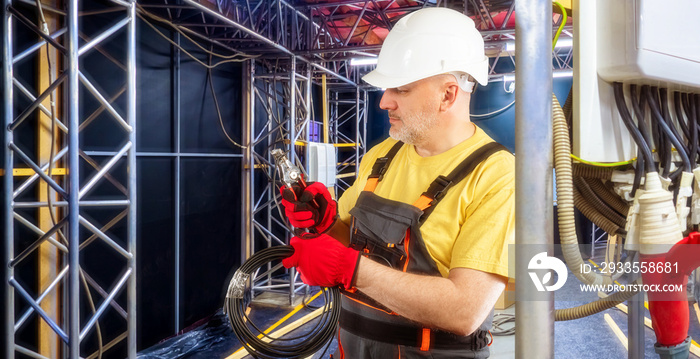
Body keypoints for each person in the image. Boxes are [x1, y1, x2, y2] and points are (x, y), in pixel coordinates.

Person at [280, 7, 514, 359]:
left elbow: (465, 310)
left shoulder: (496, 174)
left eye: (401, 89)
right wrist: (326, 225)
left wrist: (350, 269)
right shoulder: (382, 155)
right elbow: (355, 245)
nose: (384, 101)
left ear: (448, 95)